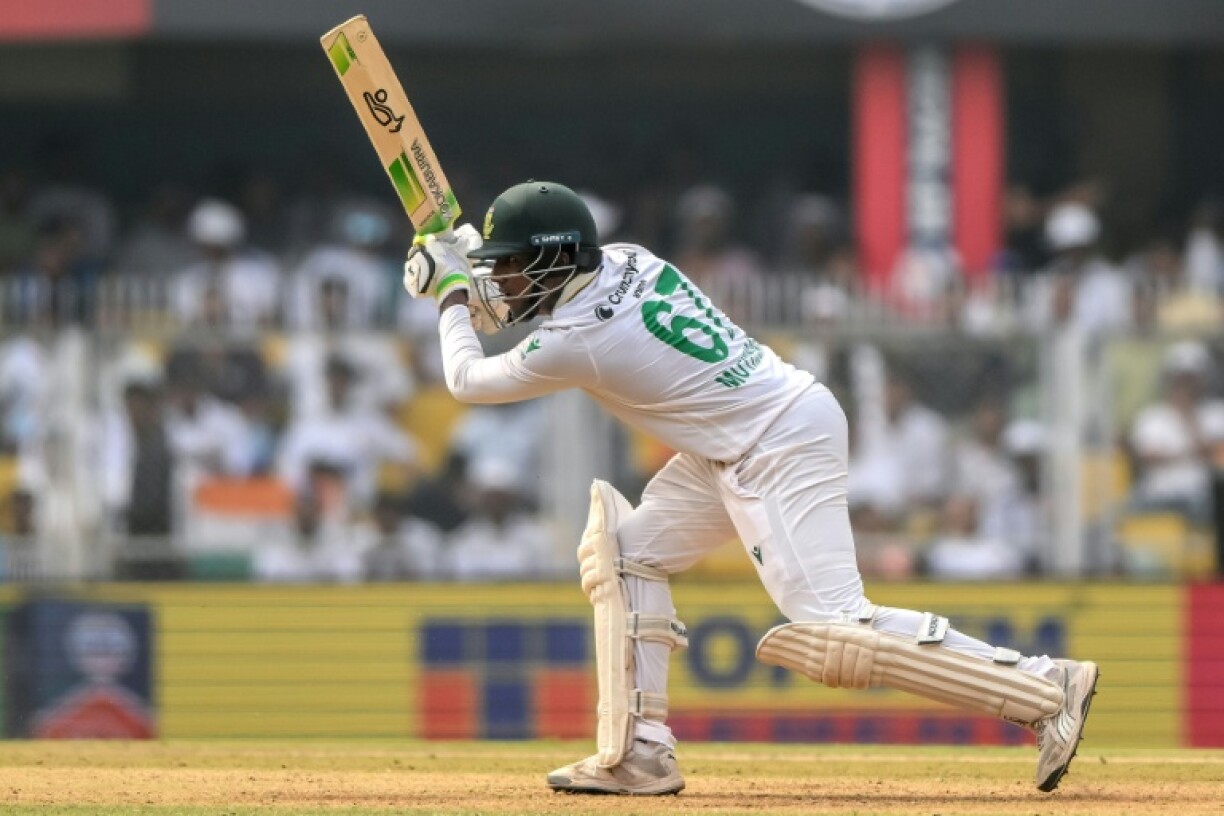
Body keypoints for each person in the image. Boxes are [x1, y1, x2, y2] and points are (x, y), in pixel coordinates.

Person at [401, 180, 1098, 795]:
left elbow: (467, 378)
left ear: (554, 257)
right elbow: (526, 307)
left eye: (515, 265)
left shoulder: (578, 339)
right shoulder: (630, 257)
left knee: (834, 628)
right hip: (741, 436)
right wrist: (468, 261)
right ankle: (640, 754)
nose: (508, 281)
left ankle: (1044, 687)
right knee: (627, 552)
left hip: (775, 441)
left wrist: (454, 293)